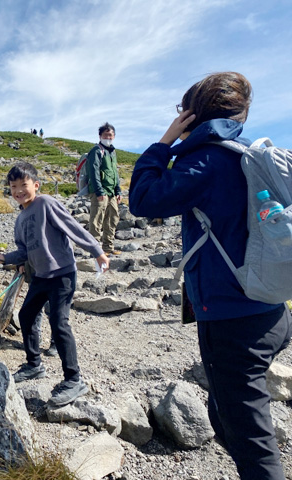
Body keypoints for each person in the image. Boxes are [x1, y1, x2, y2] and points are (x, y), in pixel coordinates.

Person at [128, 72, 292, 480]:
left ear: (191, 114)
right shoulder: (250, 156)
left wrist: (164, 142)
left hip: (232, 321)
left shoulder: (207, 161)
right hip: (272, 308)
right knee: (227, 420)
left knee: (253, 448)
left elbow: (143, 199)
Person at [0, 162, 109, 406]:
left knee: (58, 322)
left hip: (62, 274)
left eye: (24, 185)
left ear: (36, 185)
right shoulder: (20, 219)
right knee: (27, 315)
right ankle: (34, 364)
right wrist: (3, 258)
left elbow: (73, 227)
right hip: (41, 276)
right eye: (13, 187)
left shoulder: (46, 203)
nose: (19, 190)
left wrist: (97, 251)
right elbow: (23, 251)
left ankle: (74, 380)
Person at [87, 122, 121, 255]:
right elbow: (93, 171)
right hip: (100, 192)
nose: (109, 137)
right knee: (96, 219)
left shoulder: (112, 152)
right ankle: (95, 250)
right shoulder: (96, 150)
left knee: (112, 218)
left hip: (111, 192)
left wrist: (118, 190)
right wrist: (99, 190)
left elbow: (115, 173)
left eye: (111, 135)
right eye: (106, 134)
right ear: (100, 135)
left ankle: (108, 247)